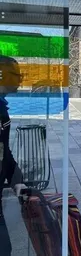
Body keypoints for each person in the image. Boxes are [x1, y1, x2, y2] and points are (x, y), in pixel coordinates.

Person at [0, 55, 27, 218]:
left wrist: (17, 182)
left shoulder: (2, 108)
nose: (20, 80)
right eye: (17, 75)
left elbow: (3, 151)